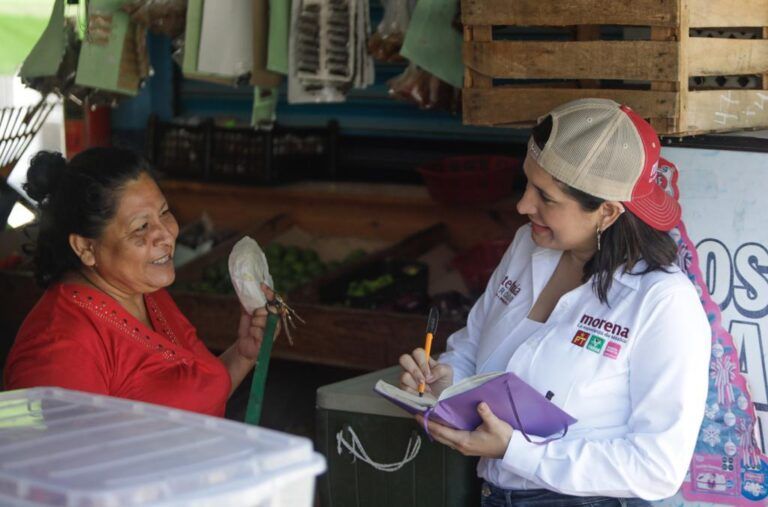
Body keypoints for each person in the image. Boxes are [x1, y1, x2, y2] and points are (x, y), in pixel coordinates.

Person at [399, 99, 711, 505]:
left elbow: (657, 467)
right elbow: (472, 348)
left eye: (546, 197)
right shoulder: (528, 247)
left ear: (607, 212)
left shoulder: (662, 303)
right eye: (527, 184)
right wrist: (444, 384)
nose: (523, 205)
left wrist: (515, 450)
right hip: (495, 494)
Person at [4, 147, 270, 417]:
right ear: (85, 247)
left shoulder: (144, 292)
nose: (166, 234)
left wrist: (243, 354)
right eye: (141, 227)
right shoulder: (59, 349)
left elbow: (192, 402)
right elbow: (66, 457)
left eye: (165, 212)